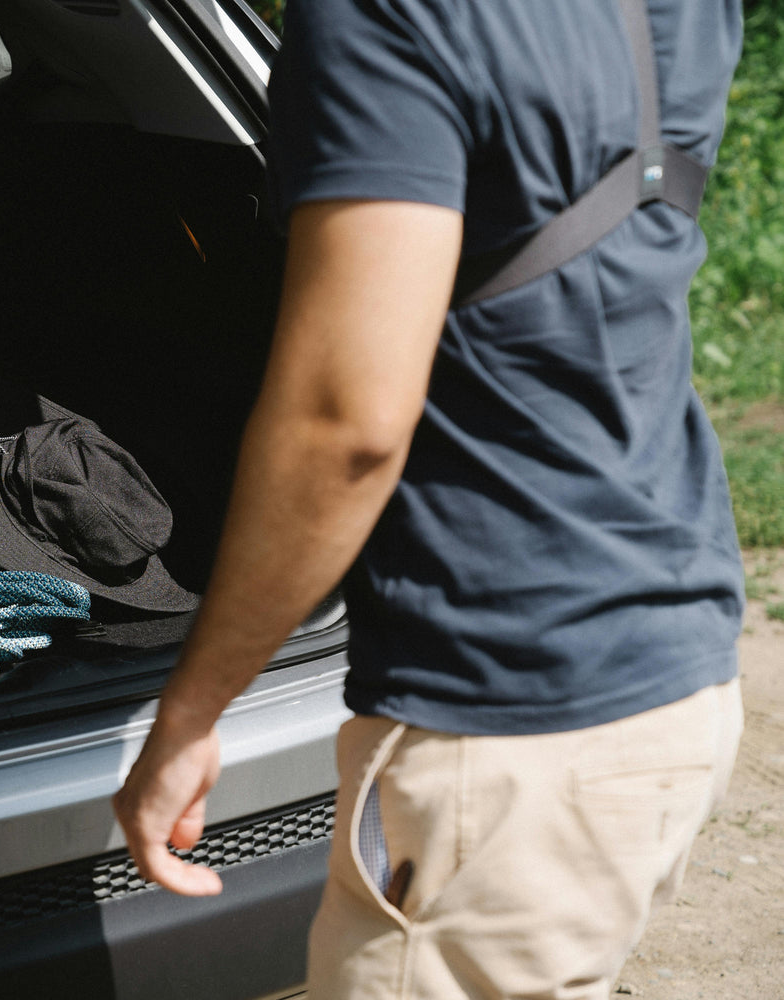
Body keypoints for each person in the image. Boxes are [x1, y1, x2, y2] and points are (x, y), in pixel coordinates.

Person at [110, 0, 746, 995]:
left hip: (506, 722)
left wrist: (190, 714)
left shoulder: (381, 14)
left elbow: (346, 427)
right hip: (680, 663)